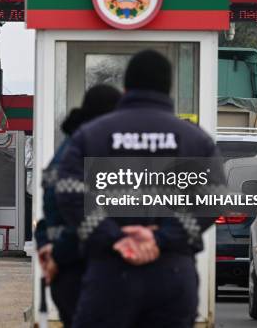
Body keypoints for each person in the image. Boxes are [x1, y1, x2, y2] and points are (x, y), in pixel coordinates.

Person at [55, 50, 223, 327]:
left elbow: (70, 192)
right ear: (168, 88)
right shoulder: (196, 140)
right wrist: (160, 238)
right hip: (173, 274)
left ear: (126, 88)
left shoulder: (92, 134)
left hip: (109, 274)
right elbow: (212, 200)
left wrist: (116, 237)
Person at [35, 84, 122, 327]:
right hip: (83, 269)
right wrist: (57, 254)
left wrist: (46, 245)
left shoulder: (67, 148)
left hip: (67, 272)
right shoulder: (93, 154)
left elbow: (52, 214)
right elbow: (89, 221)